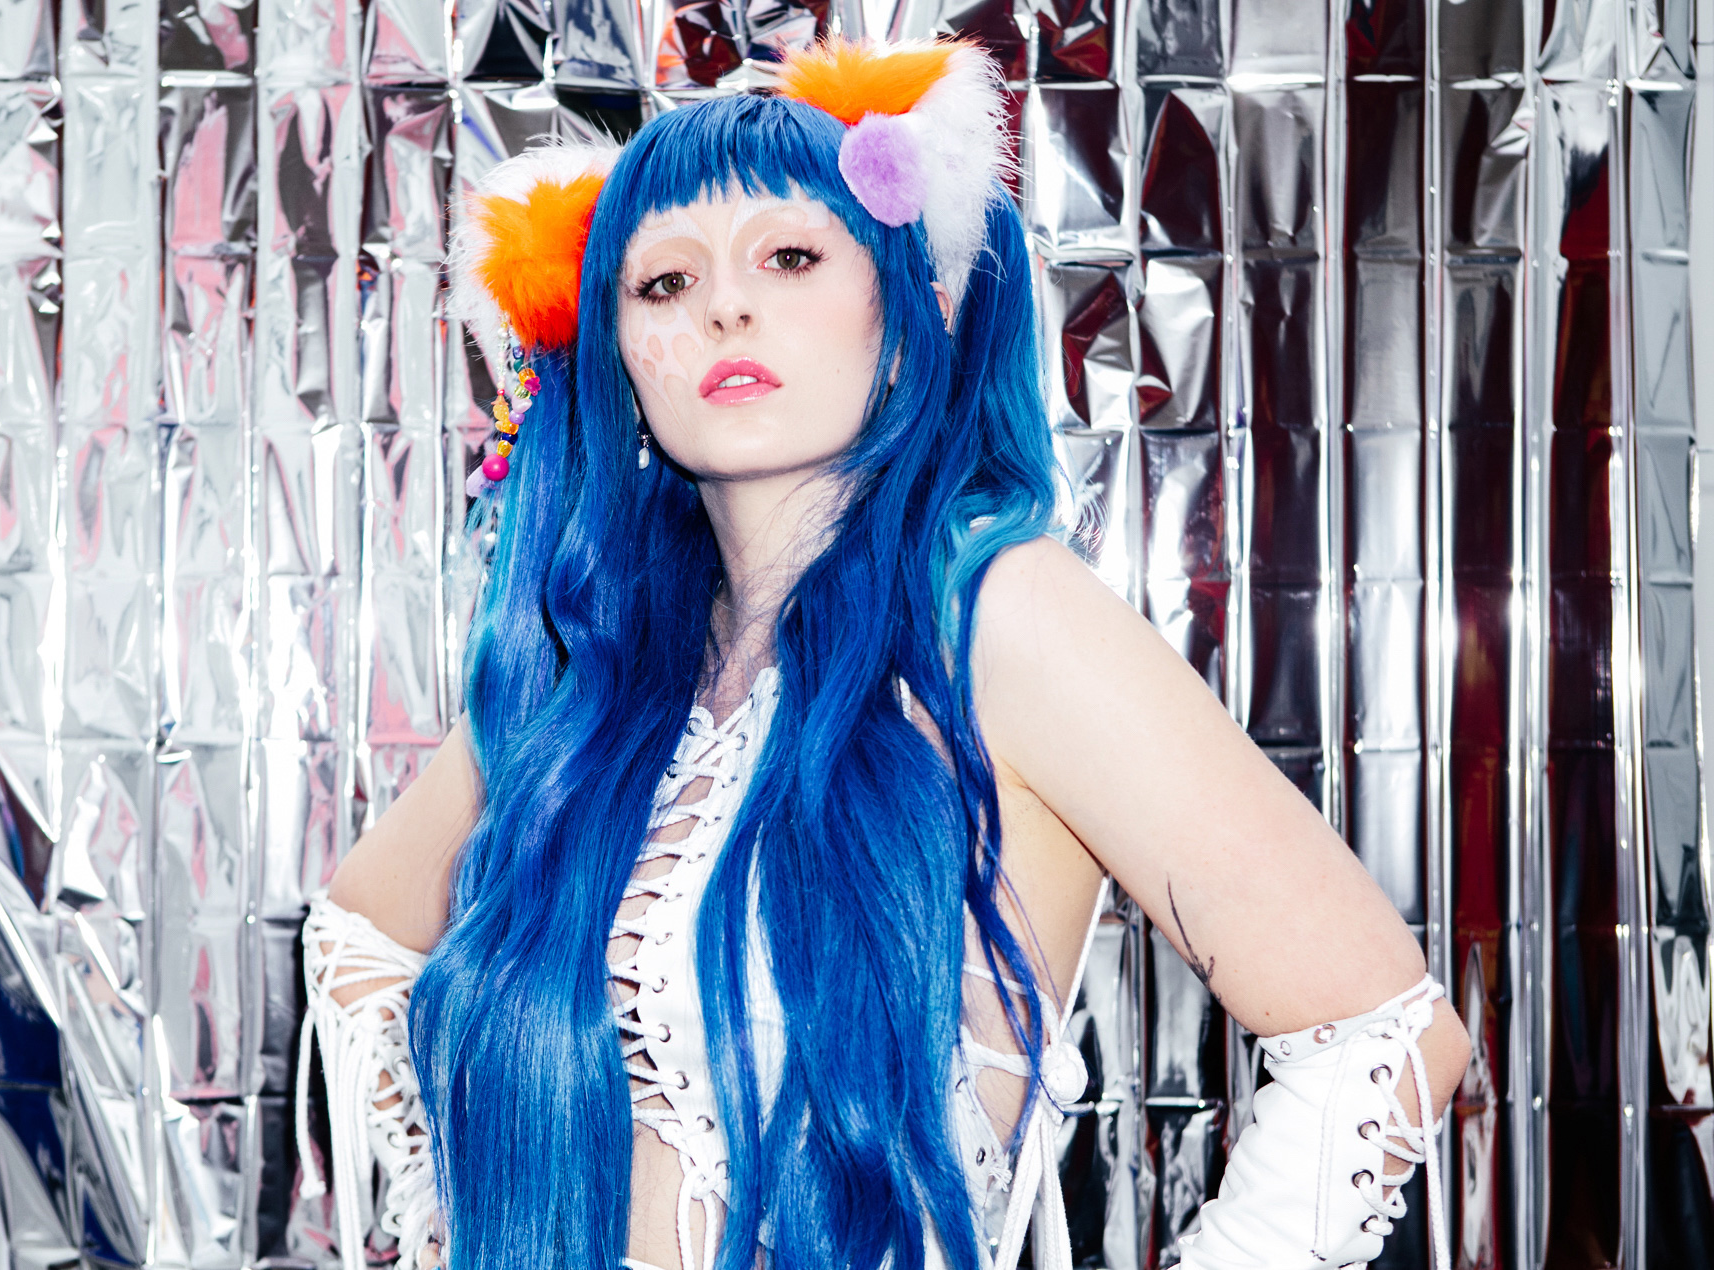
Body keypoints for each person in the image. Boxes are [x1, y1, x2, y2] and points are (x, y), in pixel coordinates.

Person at [296, 36, 1471, 1270]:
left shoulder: (999, 615)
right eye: (664, 282)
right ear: (619, 362)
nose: (723, 307)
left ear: (908, 312)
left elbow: (1381, 1034)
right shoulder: (598, 666)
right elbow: (361, 938)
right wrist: (450, 1218)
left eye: (789, 257)